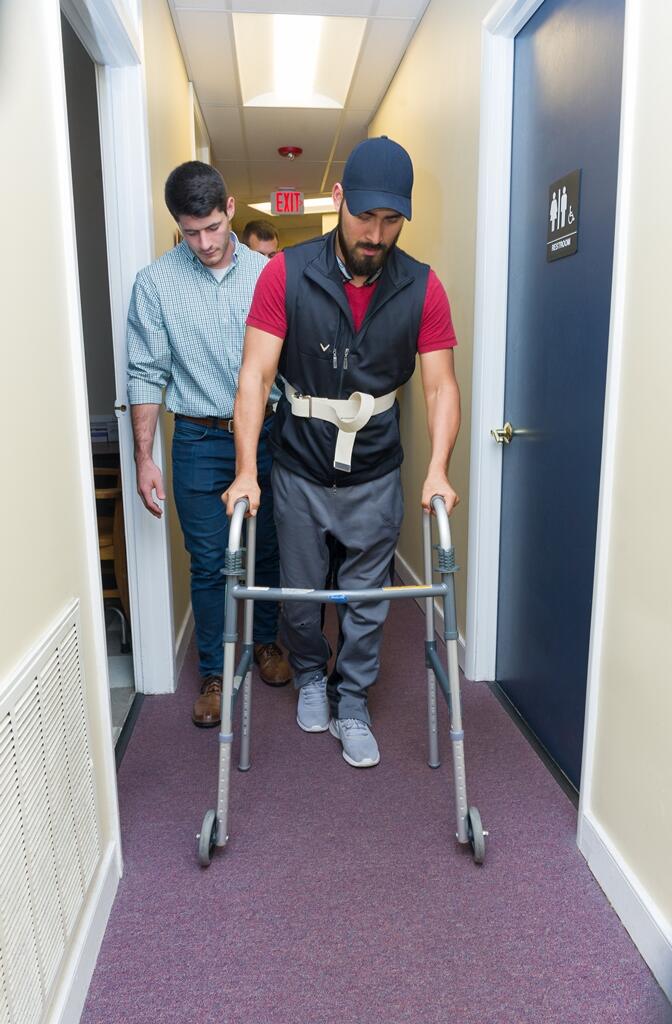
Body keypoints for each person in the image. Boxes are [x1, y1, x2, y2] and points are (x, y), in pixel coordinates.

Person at [225, 136, 460, 768]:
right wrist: (247, 469)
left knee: (367, 600)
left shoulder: (422, 288)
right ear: (338, 200)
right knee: (300, 596)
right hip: (300, 466)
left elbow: (440, 385)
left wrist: (437, 466)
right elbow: (254, 375)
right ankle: (309, 675)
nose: (376, 234)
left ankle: (351, 699)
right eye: (365, 217)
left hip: (375, 471)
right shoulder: (286, 273)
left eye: (391, 221)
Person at [127, 161, 291, 728]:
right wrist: (144, 457)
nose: (204, 243)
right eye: (190, 232)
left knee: (267, 548)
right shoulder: (155, 284)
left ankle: (266, 644)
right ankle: (215, 672)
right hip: (197, 437)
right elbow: (146, 372)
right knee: (210, 562)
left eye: (213, 228)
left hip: (267, 434)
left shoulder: (269, 275)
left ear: (230, 207)